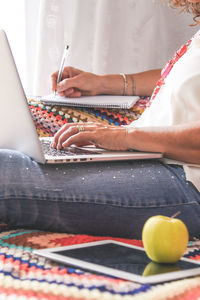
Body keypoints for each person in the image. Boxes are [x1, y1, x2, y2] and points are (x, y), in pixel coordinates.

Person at [0, 0, 200, 239]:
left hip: (185, 182)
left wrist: (125, 137)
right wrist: (103, 82)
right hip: (148, 157)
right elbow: (183, 78)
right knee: (19, 149)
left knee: (5, 169)